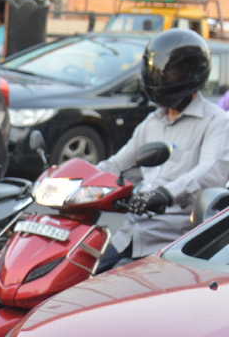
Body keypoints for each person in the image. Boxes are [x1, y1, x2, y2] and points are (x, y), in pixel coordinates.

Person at [97, 29, 229, 270]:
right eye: (156, 69)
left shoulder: (217, 122)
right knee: (76, 273)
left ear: (192, 71)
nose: (160, 76)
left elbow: (210, 173)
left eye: (169, 70)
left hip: (171, 241)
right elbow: (118, 166)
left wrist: (165, 194)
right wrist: (74, 178)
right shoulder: (152, 122)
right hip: (131, 232)